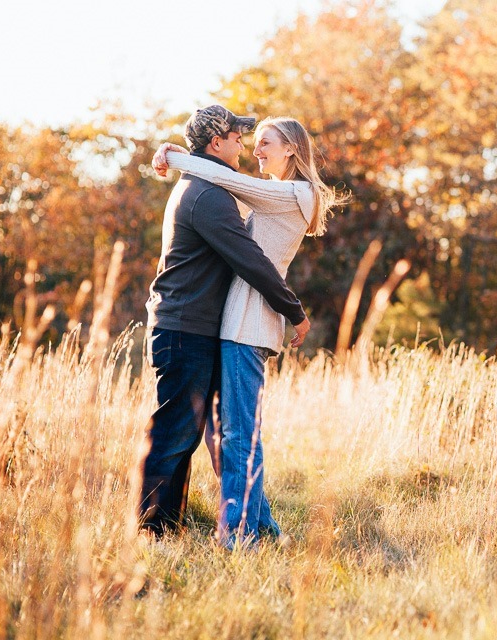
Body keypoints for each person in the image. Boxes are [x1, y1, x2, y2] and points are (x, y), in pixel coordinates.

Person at [152, 116, 347, 549]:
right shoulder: (275, 198)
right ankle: (265, 528)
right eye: (253, 142)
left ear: (291, 150)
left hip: (249, 322)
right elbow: (222, 188)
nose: (256, 150)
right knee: (230, 432)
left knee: (238, 434)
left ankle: (239, 536)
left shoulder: (295, 192)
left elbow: (219, 175)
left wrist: (174, 154)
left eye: (265, 143)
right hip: (238, 321)